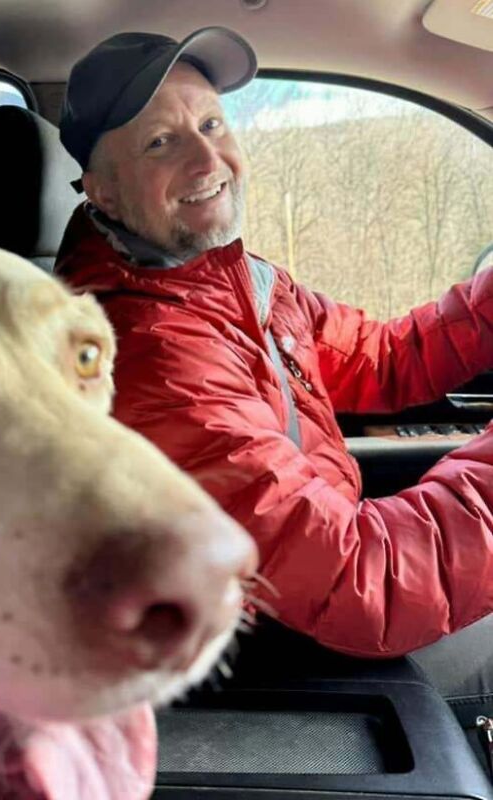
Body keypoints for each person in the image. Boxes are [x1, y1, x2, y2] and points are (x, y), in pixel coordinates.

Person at [55, 27, 493, 699]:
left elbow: (385, 360)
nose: (207, 159)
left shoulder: (238, 282)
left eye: (210, 122)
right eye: (160, 142)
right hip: (284, 661)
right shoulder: (149, 354)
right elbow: (361, 580)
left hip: (319, 604)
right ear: (103, 193)